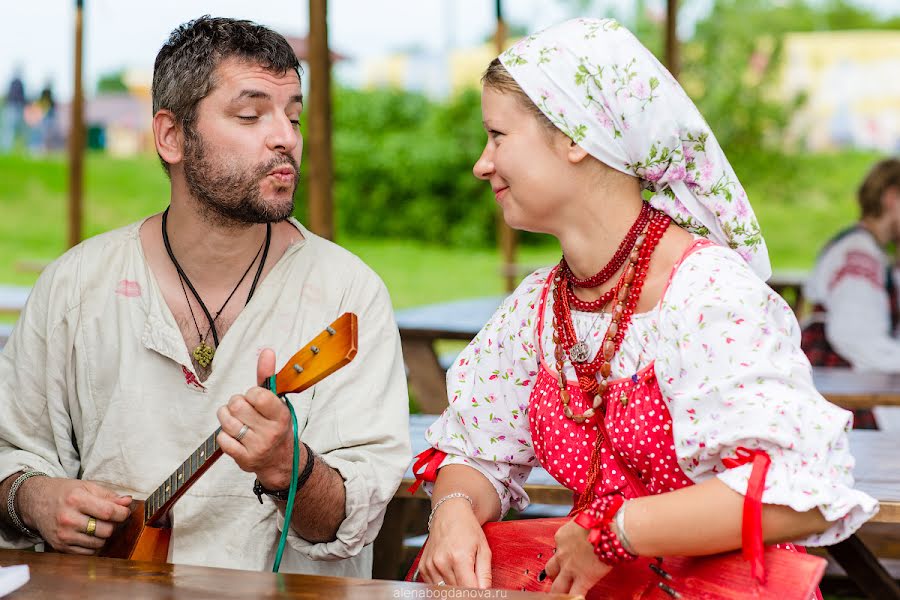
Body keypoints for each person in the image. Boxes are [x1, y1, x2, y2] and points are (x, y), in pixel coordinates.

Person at [410, 18, 877, 596]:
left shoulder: (705, 293)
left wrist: (617, 533)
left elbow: (800, 490)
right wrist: (453, 509)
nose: (482, 163)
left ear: (576, 134)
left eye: (498, 135)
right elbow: (476, 450)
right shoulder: (538, 306)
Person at [0, 16, 410, 578]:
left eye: (292, 116)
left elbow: (352, 519)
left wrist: (292, 468)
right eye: (250, 114)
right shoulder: (76, 285)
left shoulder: (347, 295)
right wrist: (34, 499)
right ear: (170, 135)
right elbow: (9, 453)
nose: (285, 137)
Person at [802, 158, 900, 373]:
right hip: (846, 387)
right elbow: (856, 337)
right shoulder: (859, 253)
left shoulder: (866, 249)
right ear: (892, 198)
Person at [0, 68, 26, 152]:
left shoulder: (20, 83)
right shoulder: (13, 83)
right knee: (8, 129)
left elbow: (22, 97)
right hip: (11, 107)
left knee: (16, 130)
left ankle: (17, 148)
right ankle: (6, 148)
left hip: (17, 107)